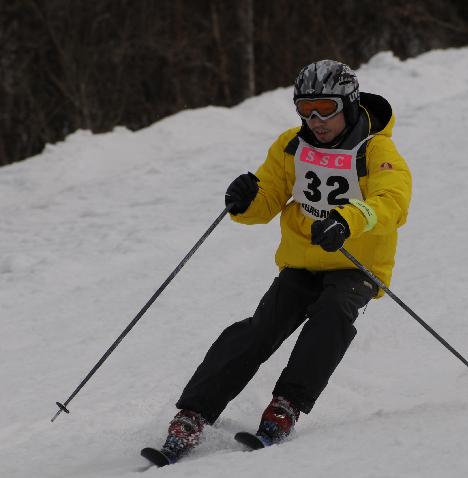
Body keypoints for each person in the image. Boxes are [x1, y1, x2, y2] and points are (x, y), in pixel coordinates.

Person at [155, 59, 412, 463]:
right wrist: (244, 201)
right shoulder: (291, 145)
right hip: (302, 262)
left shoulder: (376, 148)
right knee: (260, 329)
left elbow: (393, 201)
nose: (316, 120)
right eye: (306, 109)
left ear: (348, 104)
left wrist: (348, 220)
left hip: (356, 265)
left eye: (325, 108)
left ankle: (286, 405)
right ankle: (194, 413)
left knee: (332, 314)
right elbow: (269, 198)